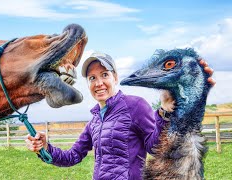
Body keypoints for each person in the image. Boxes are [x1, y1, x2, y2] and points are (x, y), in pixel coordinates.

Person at [25, 52, 215, 180]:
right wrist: (44, 147)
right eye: (92, 78)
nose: (99, 83)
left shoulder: (135, 105)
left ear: (115, 77)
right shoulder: (94, 120)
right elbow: (72, 156)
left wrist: (164, 113)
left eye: (104, 75)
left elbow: (155, 147)